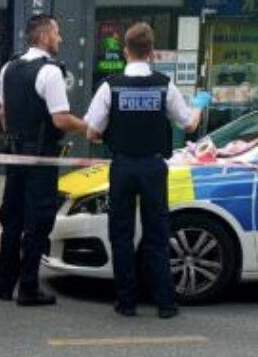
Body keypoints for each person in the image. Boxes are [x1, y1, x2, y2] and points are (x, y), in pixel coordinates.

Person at [84, 23, 207, 319]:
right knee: (157, 233)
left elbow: (91, 132)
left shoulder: (109, 86)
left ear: (126, 51)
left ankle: (126, 302)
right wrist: (200, 105)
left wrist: (109, 134)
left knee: (121, 234)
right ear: (151, 53)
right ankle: (165, 303)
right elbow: (188, 124)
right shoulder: (165, 84)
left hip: (123, 166)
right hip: (153, 167)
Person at [0, 14, 89, 306]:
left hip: (15, 154)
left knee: (12, 219)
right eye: (57, 33)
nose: (60, 39)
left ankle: (3, 285)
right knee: (38, 220)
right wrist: (87, 127)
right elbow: (60, 119)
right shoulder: (50, 72)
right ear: (45, 36)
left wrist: (15, 138)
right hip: (41, 157)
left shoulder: (9, 67)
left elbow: (3, 114)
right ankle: (29, 288)